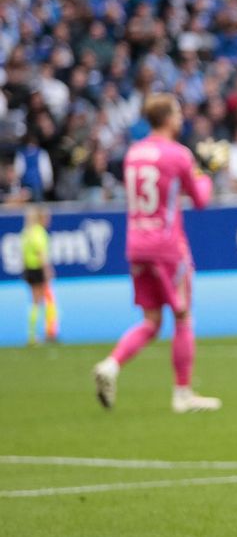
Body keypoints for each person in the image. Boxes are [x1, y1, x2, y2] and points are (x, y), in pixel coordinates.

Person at [92, 94, 225, 414]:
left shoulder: (133, 154)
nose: (181, 118)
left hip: (136, 243)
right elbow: (201, 199)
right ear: (167, 117)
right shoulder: (178, 154)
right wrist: (208, 170)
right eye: (177, 113)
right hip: (167, 246)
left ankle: (111, 365)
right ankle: (183, 393)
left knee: (151, 321)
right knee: (182, 316)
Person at [22, 204, 59, 345]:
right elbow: (41, 255)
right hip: (38, 270)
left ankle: (32, 335)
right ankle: (50, 332)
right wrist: (48, 271)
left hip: (29, 270)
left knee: (35, 302)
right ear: (42, 218)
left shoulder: (26, 233)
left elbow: (23, 255)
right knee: (48, 300)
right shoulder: (39, 233)